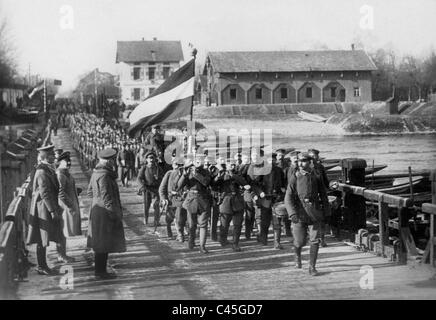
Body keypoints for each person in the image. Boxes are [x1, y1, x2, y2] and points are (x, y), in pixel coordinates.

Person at [284, 152, 331, 276]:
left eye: (304, 161)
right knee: (299, 242)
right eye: (299, 161)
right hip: (299, 214)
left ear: (310, 162)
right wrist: (292, 213)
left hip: (314, 212)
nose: (301, 163)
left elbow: (323, 194)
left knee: (315, 240)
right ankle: (297, 256)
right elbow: (288, 198)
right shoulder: (295, 176)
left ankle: (312, 267)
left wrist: (326, 210)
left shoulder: (316, 175)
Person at [87, 148, 126, 280]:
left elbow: (90, 192)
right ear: (109, 161)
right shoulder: (104, 175)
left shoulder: (96, 173)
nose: (114, 163)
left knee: (101, 242)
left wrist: (97, 202)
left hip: (98, 212)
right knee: (103, 243)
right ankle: (100, 272)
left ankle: (101, 270)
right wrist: (114, 214)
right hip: (105, 213)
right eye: (113, 160)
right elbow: (107, 197)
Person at [27, 144, 63, 275]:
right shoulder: (42, 171)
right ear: (45, 157)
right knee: (42, 236)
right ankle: (41, 266)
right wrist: (52, 210)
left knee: (43, 236)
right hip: (42, 207)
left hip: (45, 206)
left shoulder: (47, 169)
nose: (54, 157)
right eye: (51, 155)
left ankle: (42, 265)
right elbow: (44, 193)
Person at [177, 155, 211, 253]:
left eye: (200, 160)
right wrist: (184, 175)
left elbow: (206, 183)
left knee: (203, 224)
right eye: (196, 160)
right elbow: (178, 186)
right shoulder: (187, 172)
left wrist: (195, 174)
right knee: (191, 224)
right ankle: (191, 241)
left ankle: (202, 246)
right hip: (191, 200)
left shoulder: (205, 172)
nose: (198, 162)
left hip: (203, 200)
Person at [214, 159, 246, 252]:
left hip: (238, 201)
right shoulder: (221, 174)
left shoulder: (238, 174)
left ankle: (235, 243)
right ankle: (223, 240)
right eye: (230, 165)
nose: (232, 166)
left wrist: (233, 175)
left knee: (238, 224)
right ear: (226, 165)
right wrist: (219, 175)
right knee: (224, 224)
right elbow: (214, 185)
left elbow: (243, 182)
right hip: (225, 201)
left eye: (233, 164)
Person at [56, 151, 81, 263]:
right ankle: (61, 255)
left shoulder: (66, 173)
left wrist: (76, 191)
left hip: (68, 206)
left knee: (64, 232)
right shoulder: (60, 174)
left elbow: (67, 188)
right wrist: (70, 204)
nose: (69, 163)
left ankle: (63, 254)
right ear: (61, 162)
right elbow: (60, 192)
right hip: (64, 207)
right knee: (62, 231)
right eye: (66, 161)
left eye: (69, 161)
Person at [158, 157, 187, 240]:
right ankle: (168, 227)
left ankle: (180, 234)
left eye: (180, 164)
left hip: (181, 199)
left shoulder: (185, 174)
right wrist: (163, 198)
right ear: (172, 165)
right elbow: (162, 188)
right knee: (169, 217)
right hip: (171, 199)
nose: (178, 166)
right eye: (176, 164)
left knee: (180, 216)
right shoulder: (169, 174)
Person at [308, 148, 330, 248]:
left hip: (321, 195)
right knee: (311, 219)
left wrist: (329, 187)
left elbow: (325, 181)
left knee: (322, 218)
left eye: (315, 156)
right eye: (312, 156)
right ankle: (313, 239)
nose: (314, 158)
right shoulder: (305, 168)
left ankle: (322, 239)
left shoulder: (320, 167)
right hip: (310, 197)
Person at [137, 152, 163, 226]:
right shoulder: (144, 168)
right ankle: (146, 219)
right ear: (146, 159)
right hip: (147, 189)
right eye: (149, 158)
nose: (151, 159)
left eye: (152, 158)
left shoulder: (158, 168)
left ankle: (156, 221)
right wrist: (142, 186)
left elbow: (163, 178)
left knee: (156, 205)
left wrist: (159, 181)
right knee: (146, 205)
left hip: (155, 190)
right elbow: (139, 178)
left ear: (155, 159)